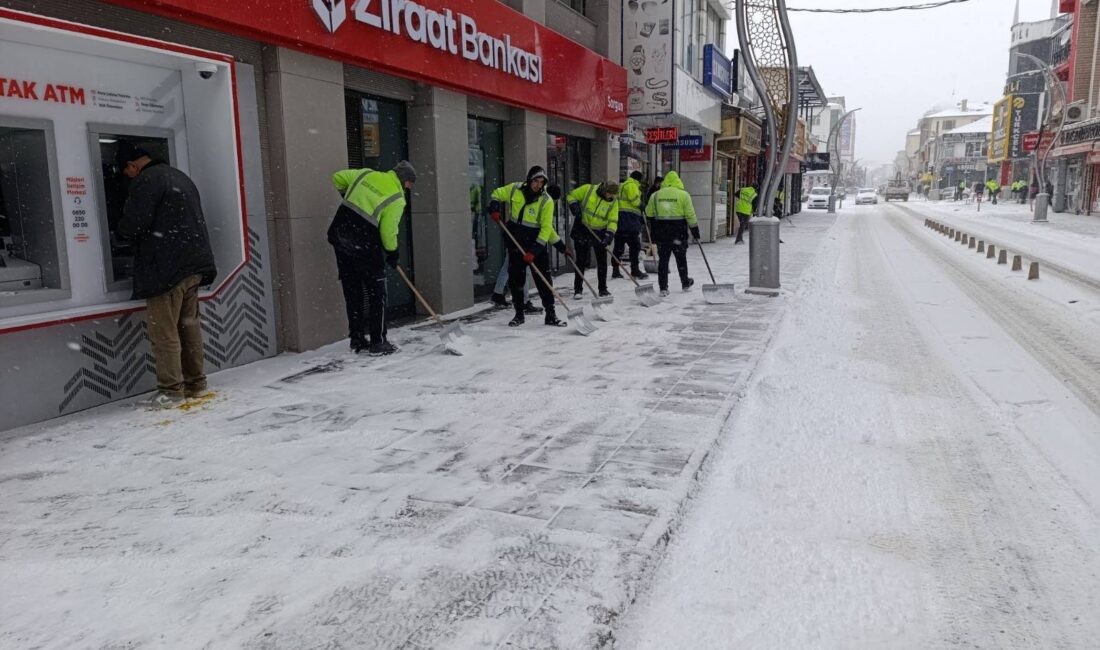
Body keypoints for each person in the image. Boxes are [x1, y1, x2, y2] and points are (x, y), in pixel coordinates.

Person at [116, 144, 217, 408]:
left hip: (165, 267)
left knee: (165, 332)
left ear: (133, 165)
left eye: (126, 171)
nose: (127, 176)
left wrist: (120, 231)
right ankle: (196, 383)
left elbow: (133, 224)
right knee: (189, 327)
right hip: (193, 264)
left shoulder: (147, 180)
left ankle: (171, 391)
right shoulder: (179, 176)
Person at [327, 161, 416, 357]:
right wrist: (392, 253)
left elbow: (337, 177)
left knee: (353, 290)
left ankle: (357, 339)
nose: (409, 188)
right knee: (377, 293)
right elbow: (388, 231)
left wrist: (348, 198)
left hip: (340, 236)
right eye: (410, 183)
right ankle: (378, 342)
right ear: (403, 180)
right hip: (365, 244)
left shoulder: (365, 174)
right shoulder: (397, 198)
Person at [489, 166, 570, 327]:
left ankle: (551, 314)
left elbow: (547, 229)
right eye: (535, 181)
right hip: (515, 241)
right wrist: (494, 207)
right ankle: (519, 314)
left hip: (535, 244)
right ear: (529, 180)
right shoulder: (515, 188)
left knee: (543, 280)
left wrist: (537, 250)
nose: (538, 185)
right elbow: (497, 193)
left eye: (541, 182)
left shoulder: (546, 201)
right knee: (516, 281)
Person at [644, 171, 698, 297]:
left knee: (663, 260)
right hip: (678, 231)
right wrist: (695, 231)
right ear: (678, 181)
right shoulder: (684, 195)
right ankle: (685, 282)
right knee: (681, 258)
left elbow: (649, 213)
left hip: (661, 231)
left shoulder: (656, 195)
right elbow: (690, 214)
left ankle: (663, 287)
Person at [568, 181, 619, 298]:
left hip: (599, 231)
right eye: (610, 194)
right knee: (581, 260)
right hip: (582, 227)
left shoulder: (613, 202)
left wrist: (608, 236)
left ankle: (603, 289)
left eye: (613, 195)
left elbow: (613, 220)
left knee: (602, 261)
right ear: (603, 190)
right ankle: (578, 289)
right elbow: (571, 196)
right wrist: (575, 208)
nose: (611, 197)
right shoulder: (588, 189)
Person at [613, 171, 647, 280]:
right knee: (635, 246)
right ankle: (635, 270)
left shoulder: (622, 185)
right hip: (630, 220)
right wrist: (641, 205)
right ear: (638, 179)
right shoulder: (632, 185)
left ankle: (615, 270)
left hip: (620, 219)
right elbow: (634, 201)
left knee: (618, 247)